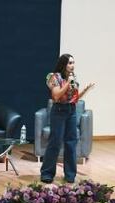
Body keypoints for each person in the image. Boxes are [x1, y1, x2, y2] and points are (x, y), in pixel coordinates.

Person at [40, 53, 95, 184]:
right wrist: (68, 83)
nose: (72, 65)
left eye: (73, 63)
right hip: (58, 111)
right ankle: (47, 173)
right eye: (70, 63)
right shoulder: (54, 77)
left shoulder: (73, 78)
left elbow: (74, 98)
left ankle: (70, 174)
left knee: (71, 142)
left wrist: (85, 90)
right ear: (63, 64)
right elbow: (56, 96)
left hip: (71, 110)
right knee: (55, 142)